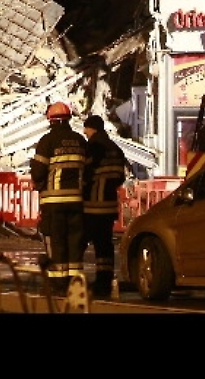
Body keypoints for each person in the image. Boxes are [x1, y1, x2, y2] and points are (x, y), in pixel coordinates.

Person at [29, 101, 88, 295]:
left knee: (56, 242)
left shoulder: (47, 142)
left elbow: (38, 172)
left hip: (53, 202)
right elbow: (88, 170)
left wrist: (38, 183)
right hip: (76, 202)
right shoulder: (80, 141)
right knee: (74, 241)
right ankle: (75, 282)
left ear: (51, 121)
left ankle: (58, 284)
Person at [82, 114, 126, 298]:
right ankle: (104, 283)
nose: (84, 132)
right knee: (104, 247)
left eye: (85, 129)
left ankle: (72, 280)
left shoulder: (92, 147)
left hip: (92, 205)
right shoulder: (116, 149)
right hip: (109, 206)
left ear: (91, 128)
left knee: (79, 243)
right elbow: (120, 177)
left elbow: (85, 174)